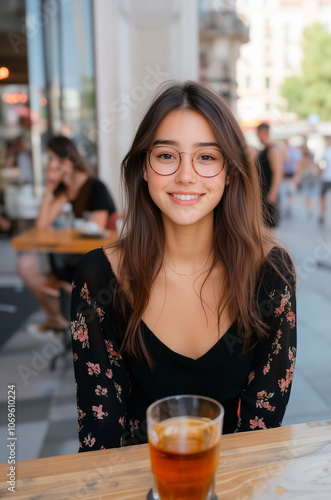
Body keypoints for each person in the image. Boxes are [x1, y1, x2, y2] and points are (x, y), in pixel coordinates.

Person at [71, 81, 297, 452]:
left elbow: (261, 431)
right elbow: (101, 439)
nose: (186, 175)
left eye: (206, 157)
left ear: (229, 172)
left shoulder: (270, 274)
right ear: (144, 167)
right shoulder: (99, 277)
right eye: (166, 155)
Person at [18, 135, 117, 336]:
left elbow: (95, 230)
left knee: (63, 284)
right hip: (69, 257)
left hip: (97, 261)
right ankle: (59, 319)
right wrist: (49, 190)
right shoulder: (64, 191)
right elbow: (41, 225)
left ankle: (67, 320)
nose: (48, 165)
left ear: (66, 161)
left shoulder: (95, 186)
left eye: (51, 158)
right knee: (25, 264)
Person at [256, 123, 284, 229]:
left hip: (268, 194)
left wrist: (273, 193)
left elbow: (278, 172)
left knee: (268, 230)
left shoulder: (272, 149)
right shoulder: (266, 149)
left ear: (263, 133)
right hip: (263, 193)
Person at [280, 139, 302, 219]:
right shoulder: (282, 150)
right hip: (285, 174)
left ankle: (287, 207)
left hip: (289, 174)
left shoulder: (292, 151)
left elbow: (297, 164)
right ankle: (286, 207)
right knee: (286, 192)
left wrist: (297, 175)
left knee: (289, 191)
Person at [297, 145, 318, 219]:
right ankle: (310, 208)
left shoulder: (303, 160)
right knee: (309, 196)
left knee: (307, 196)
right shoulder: (310, 159)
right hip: (311, 179)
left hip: (307, 179)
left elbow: (300, 170)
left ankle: (309, 209)